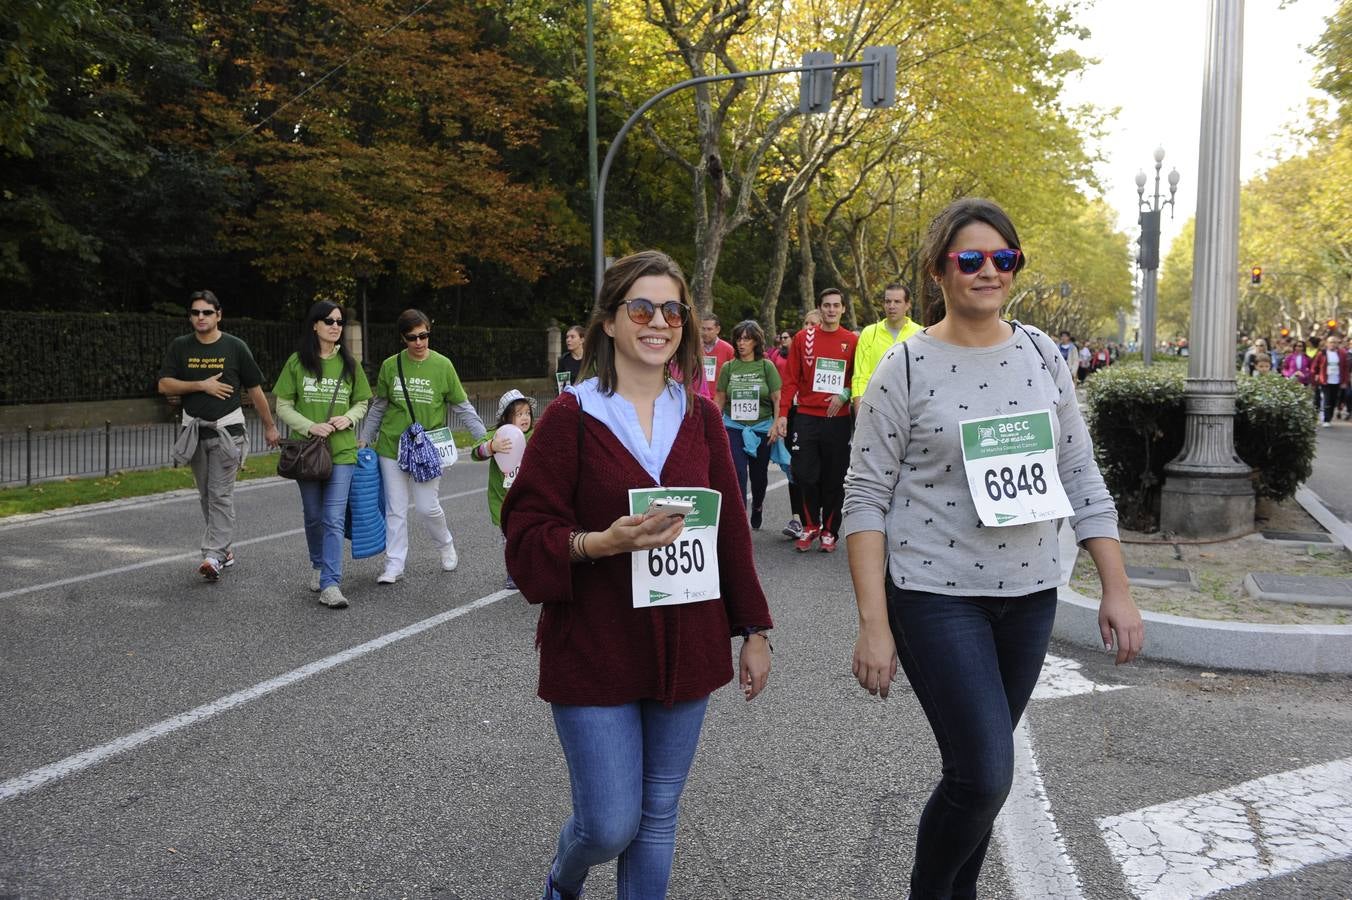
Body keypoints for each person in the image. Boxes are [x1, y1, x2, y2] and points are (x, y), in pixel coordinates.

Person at [842, 197, 1144, 900]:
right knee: (983, 772)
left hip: (1030, 594)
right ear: (937, 271)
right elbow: (863, 499)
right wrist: (873, 623)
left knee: (982, 778)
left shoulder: (1043, 354)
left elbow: (1079, 472)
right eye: (969, 259)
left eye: (1003, 259)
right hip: (933, 594)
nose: (988, 271)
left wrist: (1116, 585)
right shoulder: (905, 367)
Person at [501, 250, 773, 900]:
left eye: (673, 309)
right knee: (608, 823)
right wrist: (596, 543)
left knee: (655, 820)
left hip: (687, 644)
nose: (659, 321)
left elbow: (730, 530)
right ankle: (564, 880)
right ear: (611, 322)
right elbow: (524, 535)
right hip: (594, 646)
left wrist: (756, 629)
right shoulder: (572, 417)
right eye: (642, 308)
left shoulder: (702, 419)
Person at [358, 309, 489, 583]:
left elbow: (461, 406)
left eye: (424, 336)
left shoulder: (443, 366)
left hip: (426, 449)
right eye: (412, 337)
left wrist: (482, 437)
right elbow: (379, 406)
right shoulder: (390, 366)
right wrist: (365, 437)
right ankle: (394, 565)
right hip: (392, 445)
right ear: (403, 338)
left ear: (429, 332)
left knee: (427, 507)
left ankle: (446, 545)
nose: (419, 342)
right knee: (395, 508)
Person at [158, 289, 280, 581]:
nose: (201, 317)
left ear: (218, 315)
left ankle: (212, 555)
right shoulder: (180, 346)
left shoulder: (235, 347)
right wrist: (202, 386)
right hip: (195, 432)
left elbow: (255, 390)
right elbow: (164, 385)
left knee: (220, 495)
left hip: (230, 433)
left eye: (207, 312)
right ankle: (224, 550)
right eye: (196, 312)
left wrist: (269, 425)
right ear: (190, 317)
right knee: (205, 496)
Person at [272, 301, 372, 609]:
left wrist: (349, 418)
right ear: (315, 325)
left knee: (332, 517)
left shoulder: (349, 364)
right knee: (314, 515)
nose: (335, 325)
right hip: (307, 451)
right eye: (328, 320)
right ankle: (317, 563)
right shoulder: (297, 362)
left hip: (341, 451)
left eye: (339, 321)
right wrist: (309, 426)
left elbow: (363, 402)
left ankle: (331, 583)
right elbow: (283, 405)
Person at [771, 288, 858, 553]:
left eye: (836, 305)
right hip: (806, 416)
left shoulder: (852, 341)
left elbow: (859, 376)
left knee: (834, 477)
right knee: (805, 474)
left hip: (837, 419)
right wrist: (783, 414)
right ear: (820, 308)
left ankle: (830, 530)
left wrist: (843, 395)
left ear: (843, 309)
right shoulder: (803, 338)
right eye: (826, 305)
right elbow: (791, 380)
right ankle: (811, 525)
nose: (831, 310)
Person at [714, 320, 783, 530]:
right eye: (738, 338)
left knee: (759, 476)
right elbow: (719, 399)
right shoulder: (728, 367)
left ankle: (758, 505)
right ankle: (739, 518)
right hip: (734, 426)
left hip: (761, 427)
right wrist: (715, 428)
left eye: (747, 339)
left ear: (756, 342)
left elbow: (777, 398)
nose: (741, 343)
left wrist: (775, 424)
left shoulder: (766, 365)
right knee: (737, 472)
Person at [470, 389, 536, 589]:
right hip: (503, 498)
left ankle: (533, 568)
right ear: (506, 417)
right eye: (519, 414)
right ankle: (513, 573)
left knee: (530, 535)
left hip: (529, 497)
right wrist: (491, 446)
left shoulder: (535, 434)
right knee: (509, 537)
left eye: (527, 413)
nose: (525, 418)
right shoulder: (497, 436)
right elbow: (475, 452)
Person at [779, 309, 823, 541]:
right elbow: (789, 381)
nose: (808, 328)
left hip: (824, 416)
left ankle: (816, 518)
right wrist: (782, 414)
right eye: (806, 323)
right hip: (798, 415)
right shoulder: (797, 346)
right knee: (796, 469)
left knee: (820, 472)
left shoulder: (828, 349)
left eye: (813, 324)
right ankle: (798, 519)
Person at [852, 282, 922, 412]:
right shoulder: (869, 333)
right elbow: (860, 378)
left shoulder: (920, 334)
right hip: (875, 407)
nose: (891, 306)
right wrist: (859, 415)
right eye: (888, 301)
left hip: (910, 408)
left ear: (907, 305)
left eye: (897, 302)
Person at [1313, 333, 1349, 428]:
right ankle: (1326, 419)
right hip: (1325, 380)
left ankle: (1329, 417)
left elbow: (1345, 368)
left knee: (1333, 400)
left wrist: (1345, 381)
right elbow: (1315, 366)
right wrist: (1316, 375)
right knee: (1327, 399)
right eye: (1331, 342)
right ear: (1327, 343)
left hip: (1337, 380)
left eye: (1334, 342)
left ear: (1337, 344)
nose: (1332, 344)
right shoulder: (1322, 353)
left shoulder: (1342, 353)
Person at [699, 313, 736, 398]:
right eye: (703, 329)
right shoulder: (693, 348)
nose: (705, 333)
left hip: (719, 400)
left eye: (709, 329)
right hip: (697, 399)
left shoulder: (728, 350)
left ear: (717, 330)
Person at [555, 325, 585, 394]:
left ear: (582, 340)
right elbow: (560, 387)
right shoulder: (563, 360)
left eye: (572, 337)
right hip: (570, 400)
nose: (568, 340)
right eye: (567, 337)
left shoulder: (591, 359)